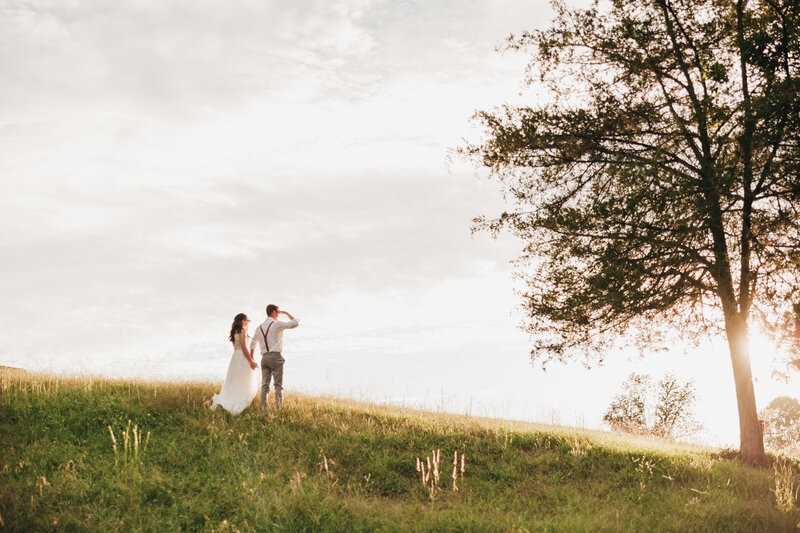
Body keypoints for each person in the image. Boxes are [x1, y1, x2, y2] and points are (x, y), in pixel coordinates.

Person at [250, 304, 299, 413]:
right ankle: (278, 410)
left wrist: (252, 360)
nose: (278, 314)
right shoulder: (277, 324)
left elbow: (252, 344)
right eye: (278, 312)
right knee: (278, 385)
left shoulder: (259, 328)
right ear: (273, 312)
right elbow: (295, 323)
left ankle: (264, 410)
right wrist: (286, 313)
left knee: (265, 386)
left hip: (264, 358)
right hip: (275, 357)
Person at [210, 313, 259, 415]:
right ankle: (238, 400)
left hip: (235, 357)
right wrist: (251, 361)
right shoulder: (243, 331)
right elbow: (244, 347)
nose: (248, 323)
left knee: (235, 379)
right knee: (244, 379)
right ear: (242, 321)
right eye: (247, 321)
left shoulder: (234, 332)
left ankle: (231, 398)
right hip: (242, 357)